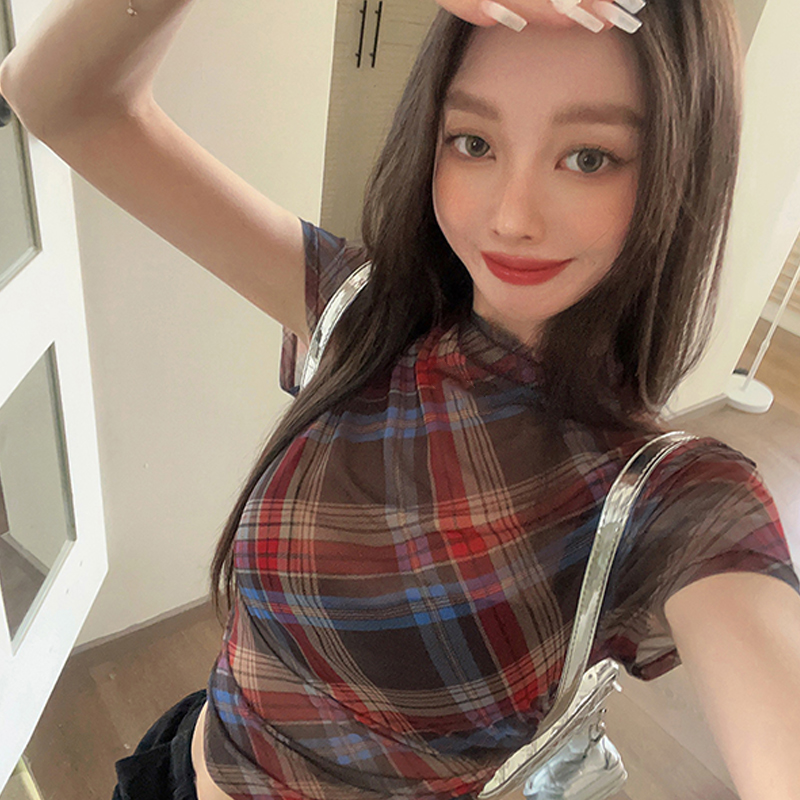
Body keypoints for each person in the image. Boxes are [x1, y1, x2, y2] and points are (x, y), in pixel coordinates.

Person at [2, 1, 800, 799]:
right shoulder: (360, 312)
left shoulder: (677, 501)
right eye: (474, 142)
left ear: (680, 168)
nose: (512, 217)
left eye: (589, 158)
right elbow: (61, 102)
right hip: (179, 765)